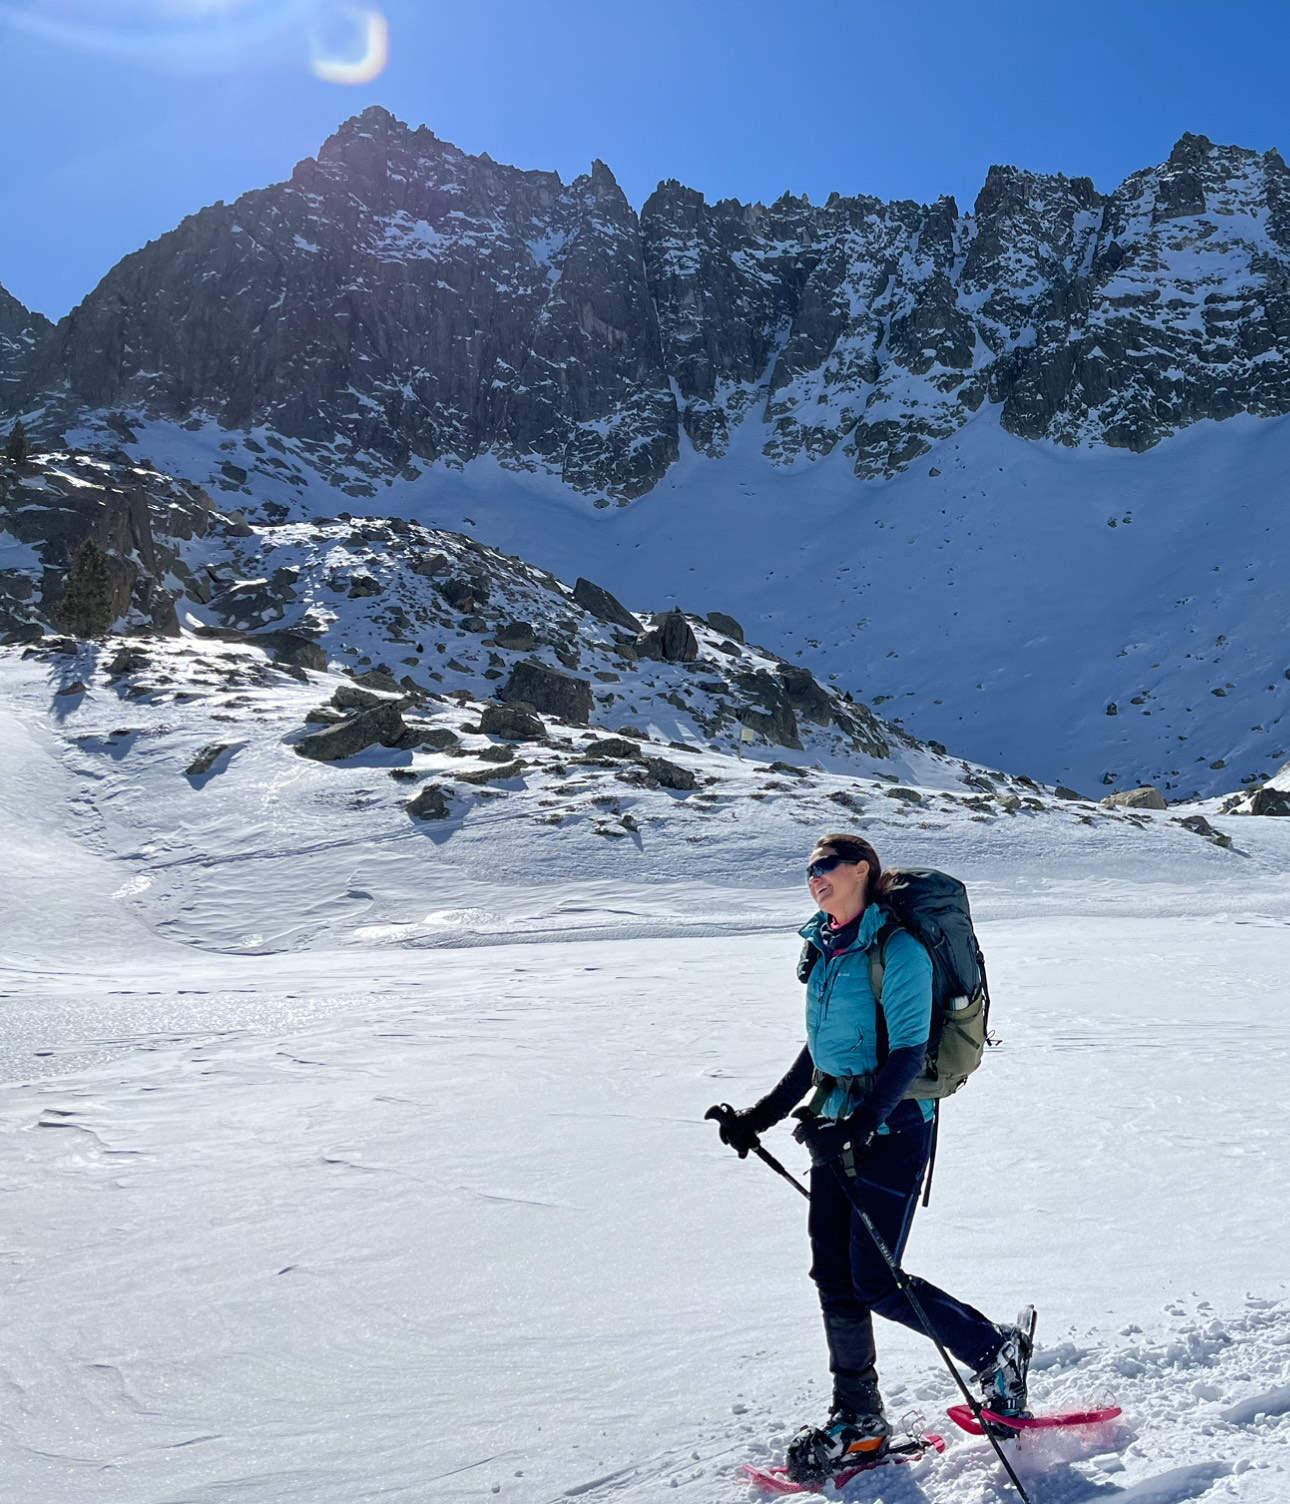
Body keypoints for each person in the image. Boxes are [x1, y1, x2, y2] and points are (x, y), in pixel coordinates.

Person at [716, 832, 1032, 1484]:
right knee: (834, 1275)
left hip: (892, 1130)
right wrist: (757, 1119)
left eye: (827, 866)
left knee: (876, 1281)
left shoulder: (900, 949)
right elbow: (817, 1057)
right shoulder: (826, 951)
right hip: (834, 1130)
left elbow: (908, 1053)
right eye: (808, 870)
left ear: (864, 869)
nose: (815, 878)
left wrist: (859, 1126)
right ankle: (859, 1420)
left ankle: (995, 1352)